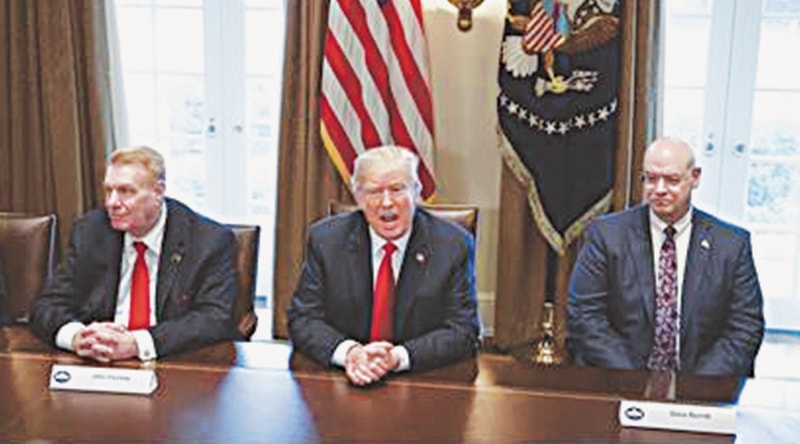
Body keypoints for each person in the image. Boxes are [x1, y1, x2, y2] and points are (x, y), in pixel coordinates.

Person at [568, 137, 764, 376]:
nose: (659, 190)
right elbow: (585, 317)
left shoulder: (731, 245)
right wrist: (637, 382)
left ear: (695, 177)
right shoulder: (606, 235)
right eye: (650, 179)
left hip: (702, 386)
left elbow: (745, 327)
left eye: (672, 180)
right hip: (622, 380)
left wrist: (695, 387)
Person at [287, 145, 480, 386]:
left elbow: (463, 330)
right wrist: (350, 353)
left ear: (417, 192)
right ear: (358, 197)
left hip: (422, 381)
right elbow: (303, 318)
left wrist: (397, 358)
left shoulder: (452, 245)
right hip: (341, 380)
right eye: (374, 192)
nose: (386, 202)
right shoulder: (326, 240)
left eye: (397, 189)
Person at [29, 146, 238, 362]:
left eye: (126, 191)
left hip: (172, 363)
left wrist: (138, 344)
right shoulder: (91, 230)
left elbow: (215, 318)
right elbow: (47, 305)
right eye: (108, 190)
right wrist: (78, 337)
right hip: (99, 361)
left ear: (158, 192)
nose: (112, 203)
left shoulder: (207, 240)